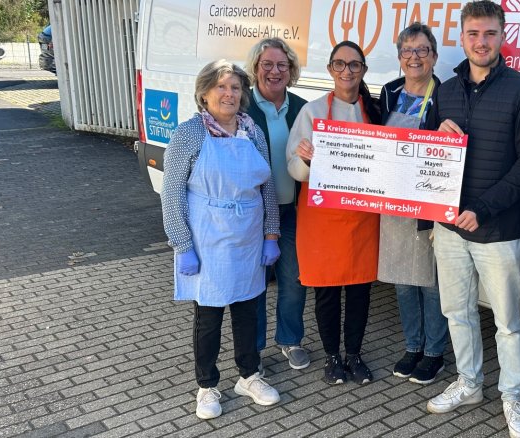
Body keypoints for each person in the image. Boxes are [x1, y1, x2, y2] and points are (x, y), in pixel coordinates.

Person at [424, 2, 520, 438]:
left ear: (503, 35)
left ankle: (512, 396)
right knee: (457, 311)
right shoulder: (445, 90)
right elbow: (426, 153)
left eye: (490, 33)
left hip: (498, 229)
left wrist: (485, 208)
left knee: (508, 322)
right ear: (462, 37)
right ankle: (470, 383)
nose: (481, 41)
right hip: (449, 226)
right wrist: (433, 136)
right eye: (473, 33)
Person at [161, 60, 282, 420]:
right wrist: (182, 245)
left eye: (235, 88)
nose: (229, 94)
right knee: (209, 315)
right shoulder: (189, 134)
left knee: (247, 311)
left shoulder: (251, 131)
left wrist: (270, 235)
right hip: (207, 238)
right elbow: (172, 194)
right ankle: (207, 385)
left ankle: (249, 375)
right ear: (204, 92)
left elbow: (268, 186)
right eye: (221, 87)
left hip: (247, 237)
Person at [286, 41, 382, 385]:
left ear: (363, 71)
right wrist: (308, 159)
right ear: (330, 70)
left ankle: (354, 355)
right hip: (322, 219)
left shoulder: (375, 112)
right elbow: (294, 167)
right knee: (326, 291)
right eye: (340, 64)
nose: (347, 71)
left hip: (362, 219)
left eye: (354, 65)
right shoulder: (311, 113)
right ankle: (332, 357)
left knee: (359, 292)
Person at [377, 22, 450, 386]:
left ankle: (435, 351)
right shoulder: (389, 92)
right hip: (393, 200)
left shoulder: (448, 94)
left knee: (431, 281)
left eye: (422, 50)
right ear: (400, 58)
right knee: (403, 279)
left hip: (430, 199)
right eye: (407, 51)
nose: (415, 57)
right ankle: (413, 346)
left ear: (434, 56)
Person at [244, 37, 310, 372]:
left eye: (282, 65)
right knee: (255, 284)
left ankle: (290, 340)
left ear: (291, 70)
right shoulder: (241, 108)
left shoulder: (302, 108)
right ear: (255, 68)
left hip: (292, 212)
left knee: (294, 281)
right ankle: (252, 349)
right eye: (267, 64)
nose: (274, 71)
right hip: (254, 215)